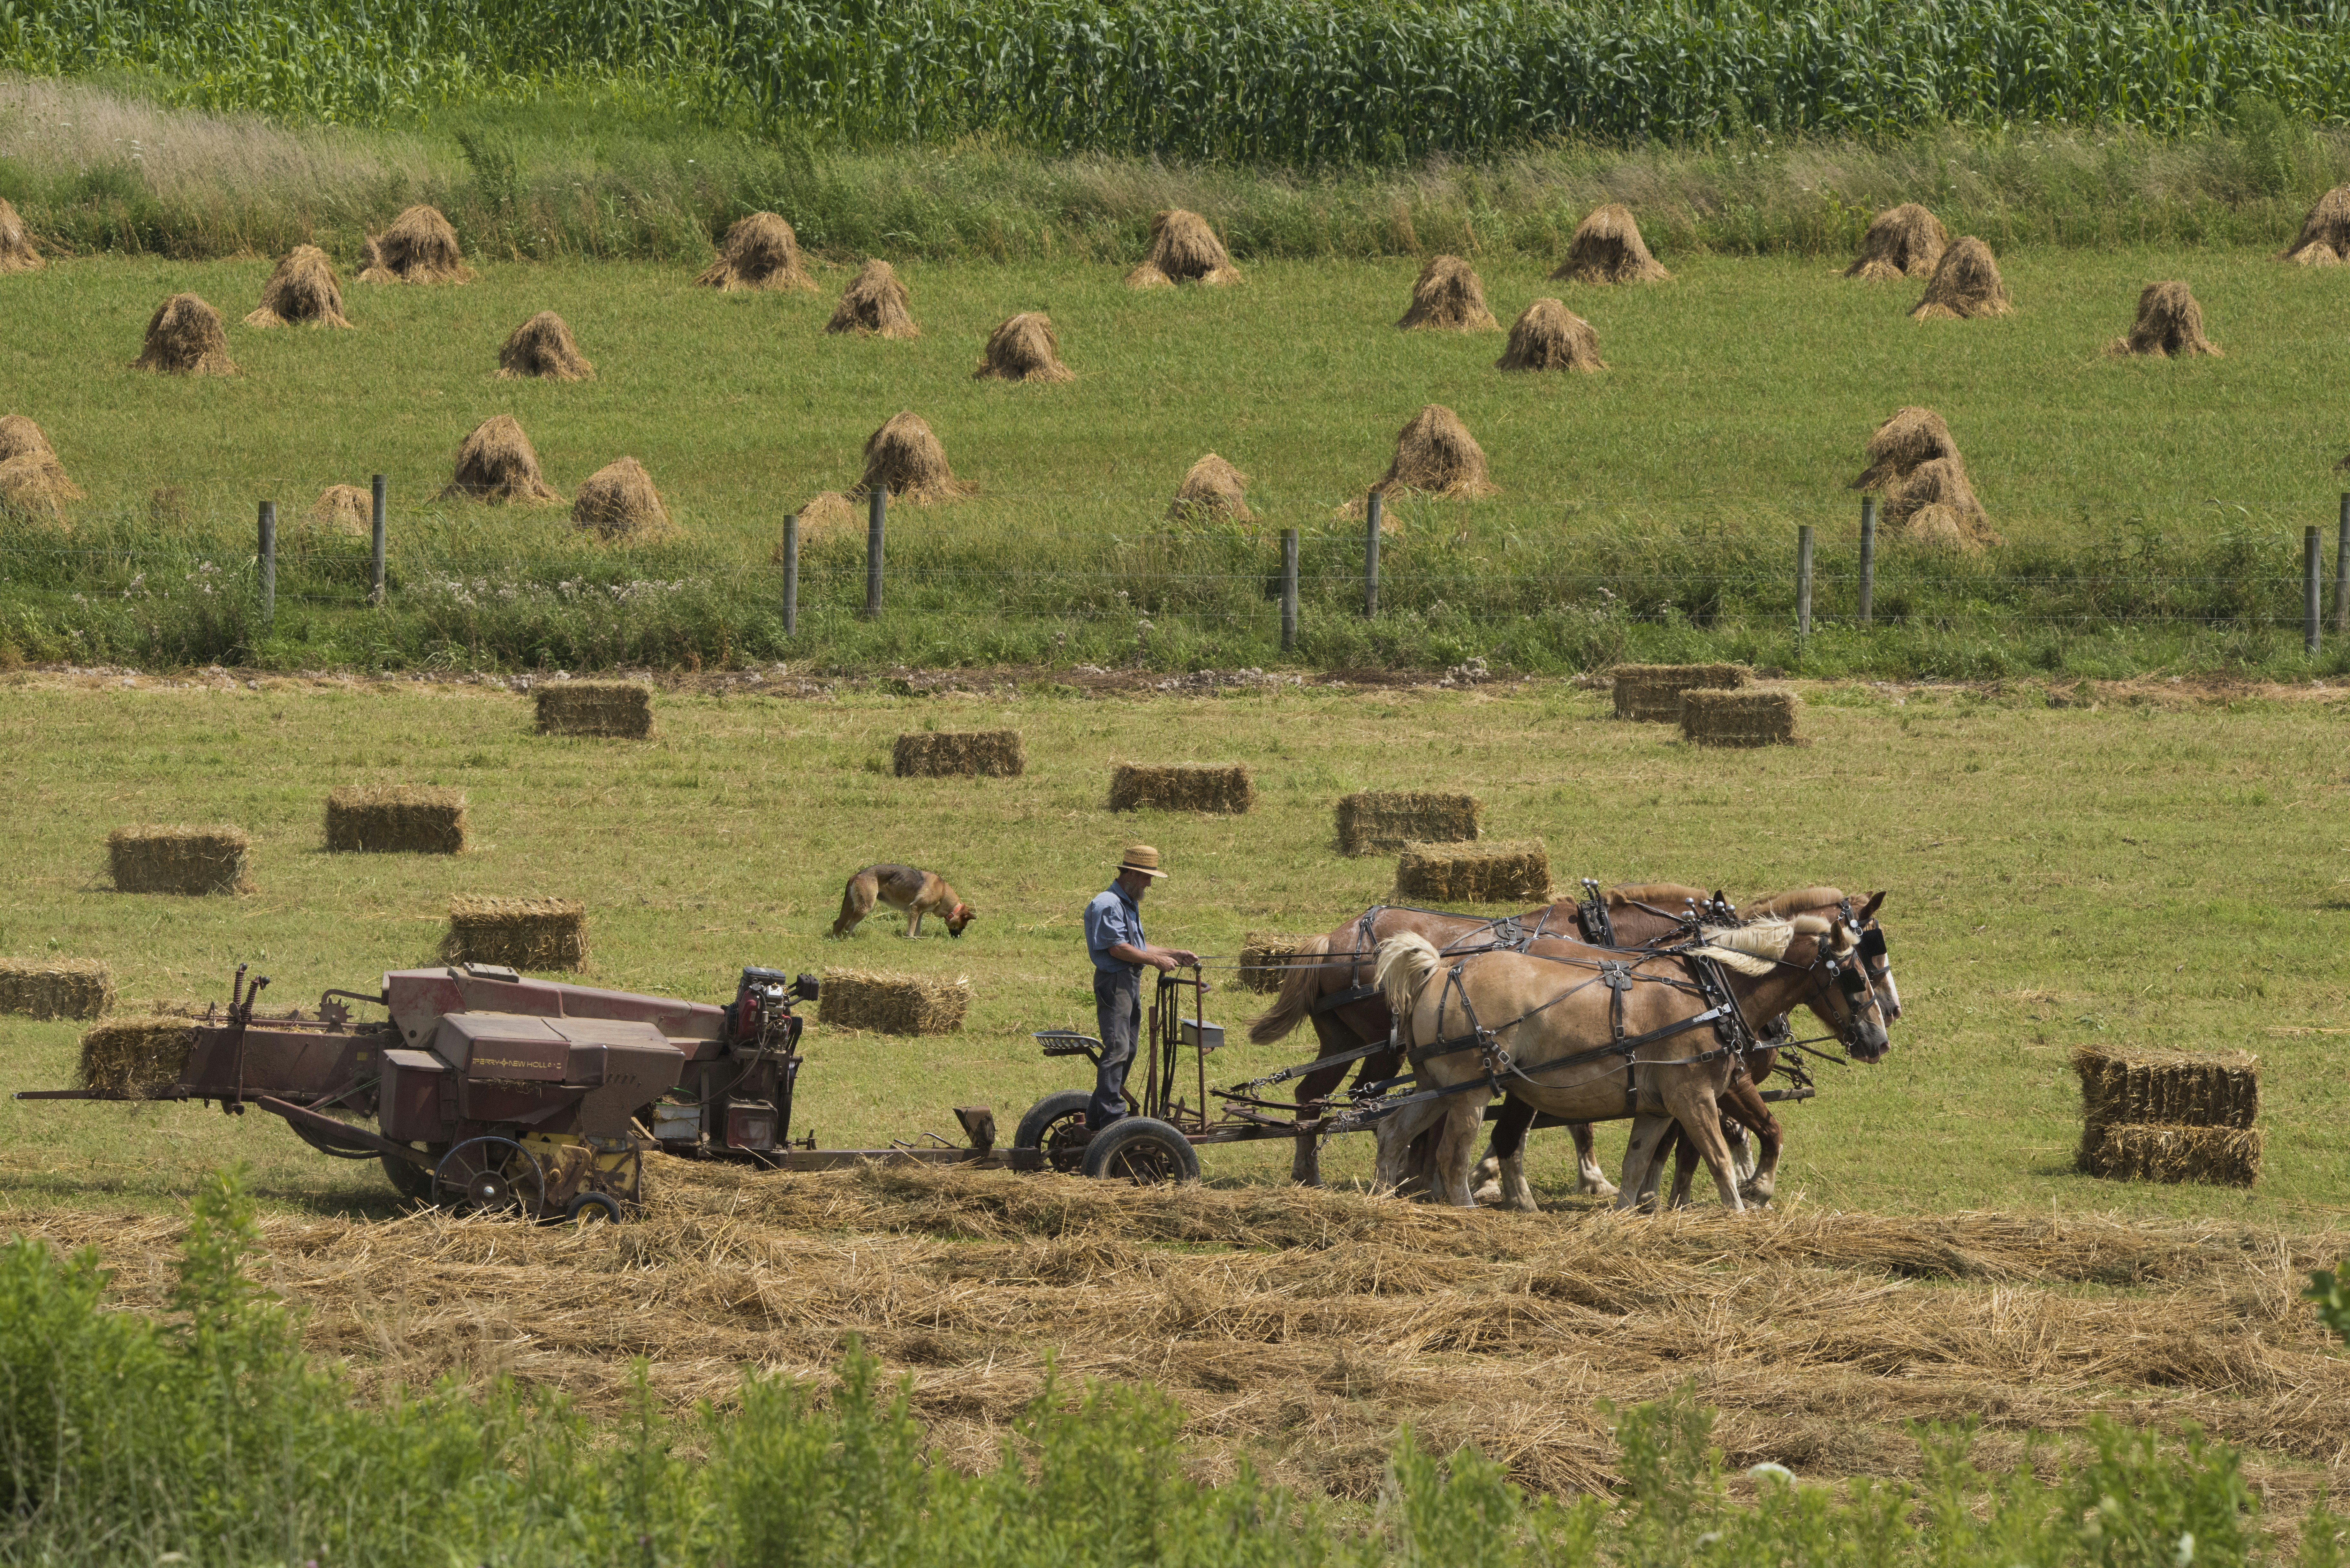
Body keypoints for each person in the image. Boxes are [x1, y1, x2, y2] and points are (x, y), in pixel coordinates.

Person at [1082, 843, 1199, 1131]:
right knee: (1118, 1049)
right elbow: (1117, 949)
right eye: (1147, 877)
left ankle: (1098, 1116)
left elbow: (1137, 946)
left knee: (1129, 1049)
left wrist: (1172, 954)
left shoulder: (1126, 903)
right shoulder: (1108, 904)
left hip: (1128, 981)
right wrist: (1155, 961)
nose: (1149, 883)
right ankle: (1112, 1117)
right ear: (1132, 874)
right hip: (1116, 982)